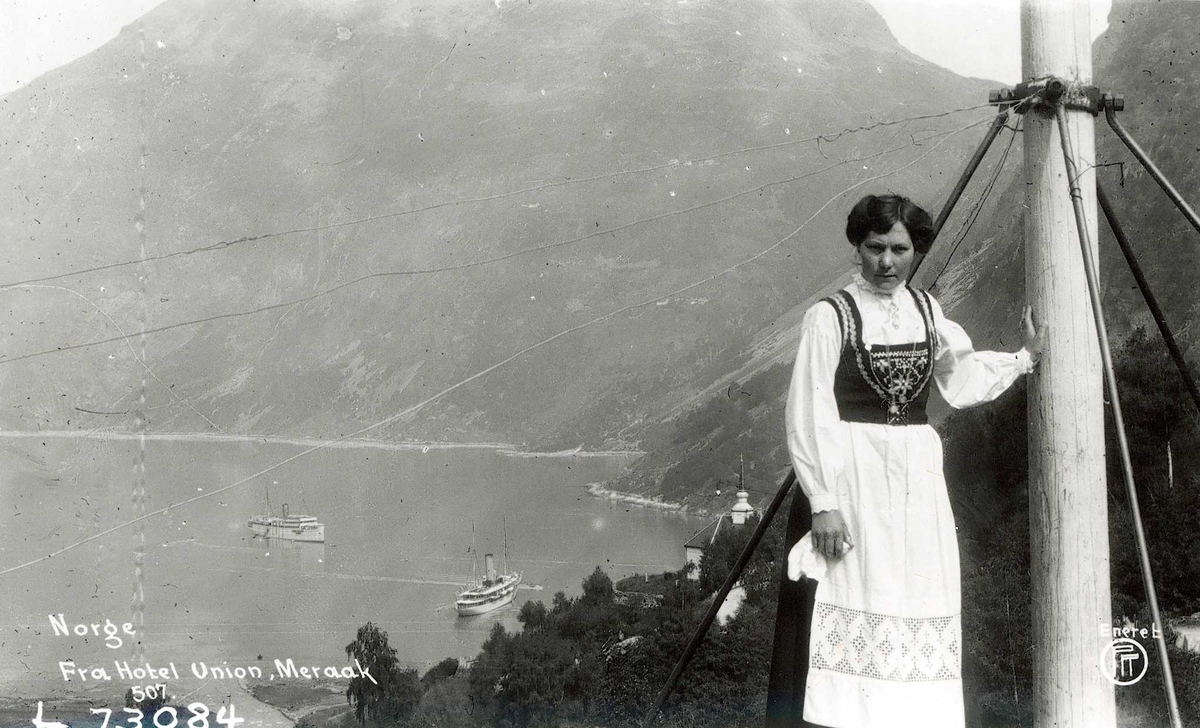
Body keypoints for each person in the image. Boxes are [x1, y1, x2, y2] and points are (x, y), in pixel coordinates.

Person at [764, 194, 1046, 728]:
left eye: (900, 248)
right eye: (874, 248)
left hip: (916, 491)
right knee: (842, 609)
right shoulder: (828, 319)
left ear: (916, 250)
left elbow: (959, 379)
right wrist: (823, 502)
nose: (886, 262)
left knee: (916, 602)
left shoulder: (925, 310)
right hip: (850, 488)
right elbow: (808, 412)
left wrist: (1023, 358)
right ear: (857, 249)